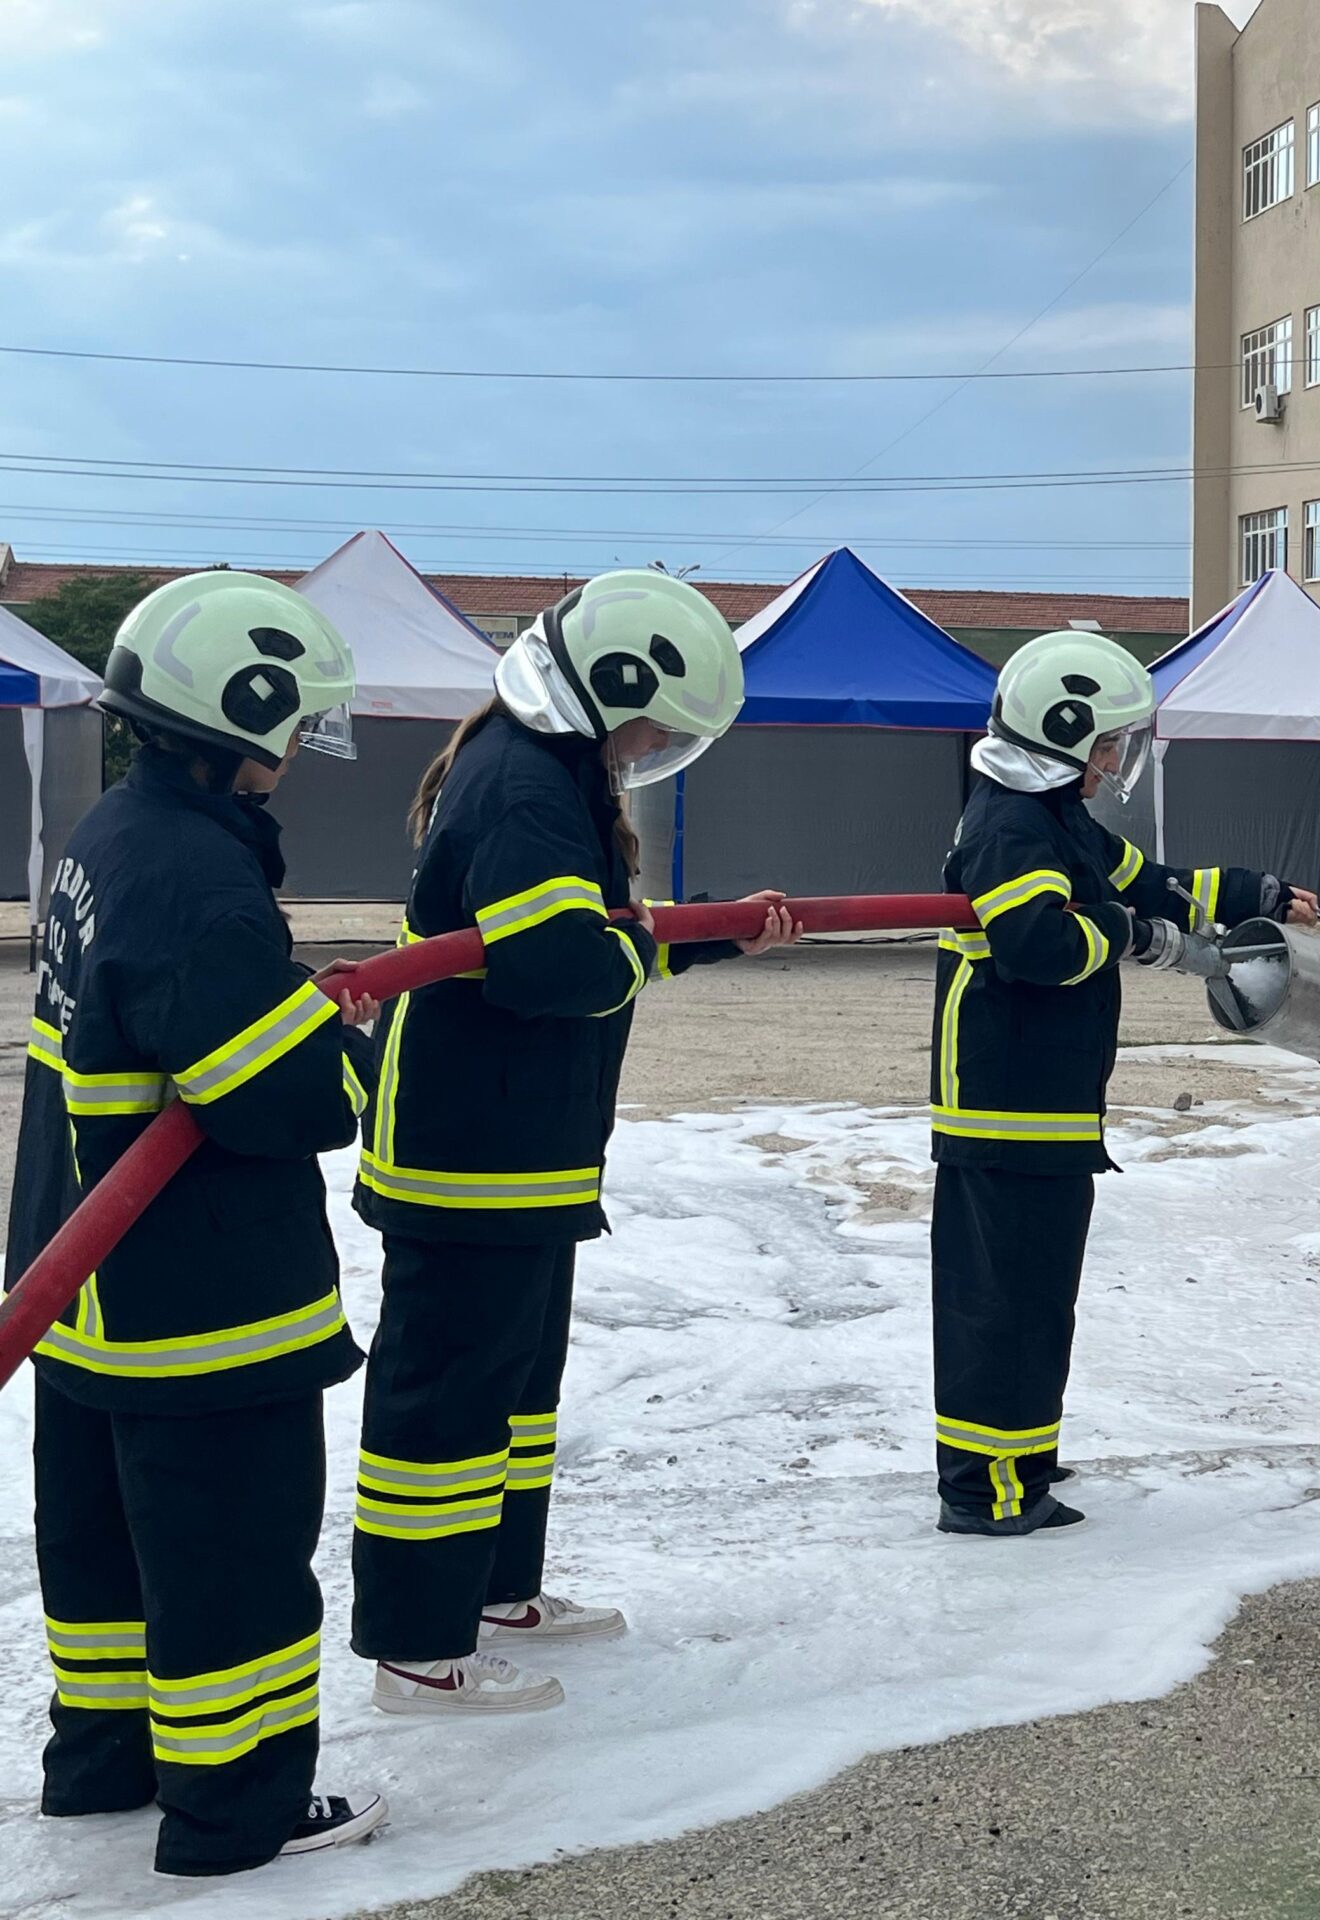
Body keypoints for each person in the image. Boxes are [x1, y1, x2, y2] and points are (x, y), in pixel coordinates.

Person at [348, 569, 796, 1716]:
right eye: (653, 721)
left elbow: (596, 940)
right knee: (445, 1396)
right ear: (609, 687)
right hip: (466, 1150)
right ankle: (417, 1641)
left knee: (512, 1387)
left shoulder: (548, 773)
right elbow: (560, 964)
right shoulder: (521, 790)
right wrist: (656, 945)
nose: (652, 744)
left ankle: (495, 1591)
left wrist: (708, 937)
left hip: (524, 1144)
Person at [4, 573, 388, 1874]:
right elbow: (281, 1097)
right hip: (202, 1312)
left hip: (95, 1298)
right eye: (293, 721)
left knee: (107, 1560)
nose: (298, 748)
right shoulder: (197, 882)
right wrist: (352, 1050)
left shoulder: (113, 831)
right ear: (247, 711)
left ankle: (103, 1765)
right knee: (233, 1568)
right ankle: (242, 1810)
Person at [930, 629, 1318, 1537]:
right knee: (1001, 1304)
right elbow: (1041, 946)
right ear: (1064, 733)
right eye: (1107, 741)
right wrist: (1132, 936)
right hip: (1005, 1107)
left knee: (1036, 1300)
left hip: (1048, 1100)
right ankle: (984, 1492)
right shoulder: (1007, 826)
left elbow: (1147, 883)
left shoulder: (1055, 813)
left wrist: (1257, 894)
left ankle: (1021, 1463)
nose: (1116, 759)